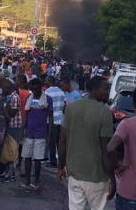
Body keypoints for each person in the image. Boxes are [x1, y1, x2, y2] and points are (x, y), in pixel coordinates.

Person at [58, 76, 116, 210]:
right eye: (105, 89)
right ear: (94, 90)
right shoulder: (105, 113)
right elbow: (106, 150)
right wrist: (112, 179)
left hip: (74, 174)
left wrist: (61, 166)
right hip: (97, 177)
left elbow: (62, 141)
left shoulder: (72, 107)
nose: (108, 92)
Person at [21, 78, 53, 191]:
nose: (34, 91)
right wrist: (22, 130)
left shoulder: (48, 99)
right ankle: (27, 181)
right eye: (32, 89)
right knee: (27, 157)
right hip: (29, 132)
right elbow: (26, 115)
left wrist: (49, 134)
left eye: (35, 88)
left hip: (41, 132)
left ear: (41, 87)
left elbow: (50, 117)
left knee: (38, 159)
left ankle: (36, 182)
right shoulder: (28, 99)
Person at [44, 76, 64, 167]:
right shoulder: (61, 92)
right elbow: (65, 105)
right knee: (60, 142)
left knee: (52, 142)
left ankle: (53, 161)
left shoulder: (47, 92)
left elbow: (46, 106)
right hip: (61, 119)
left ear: (49, 82)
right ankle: (61, 161)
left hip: (51, 120)